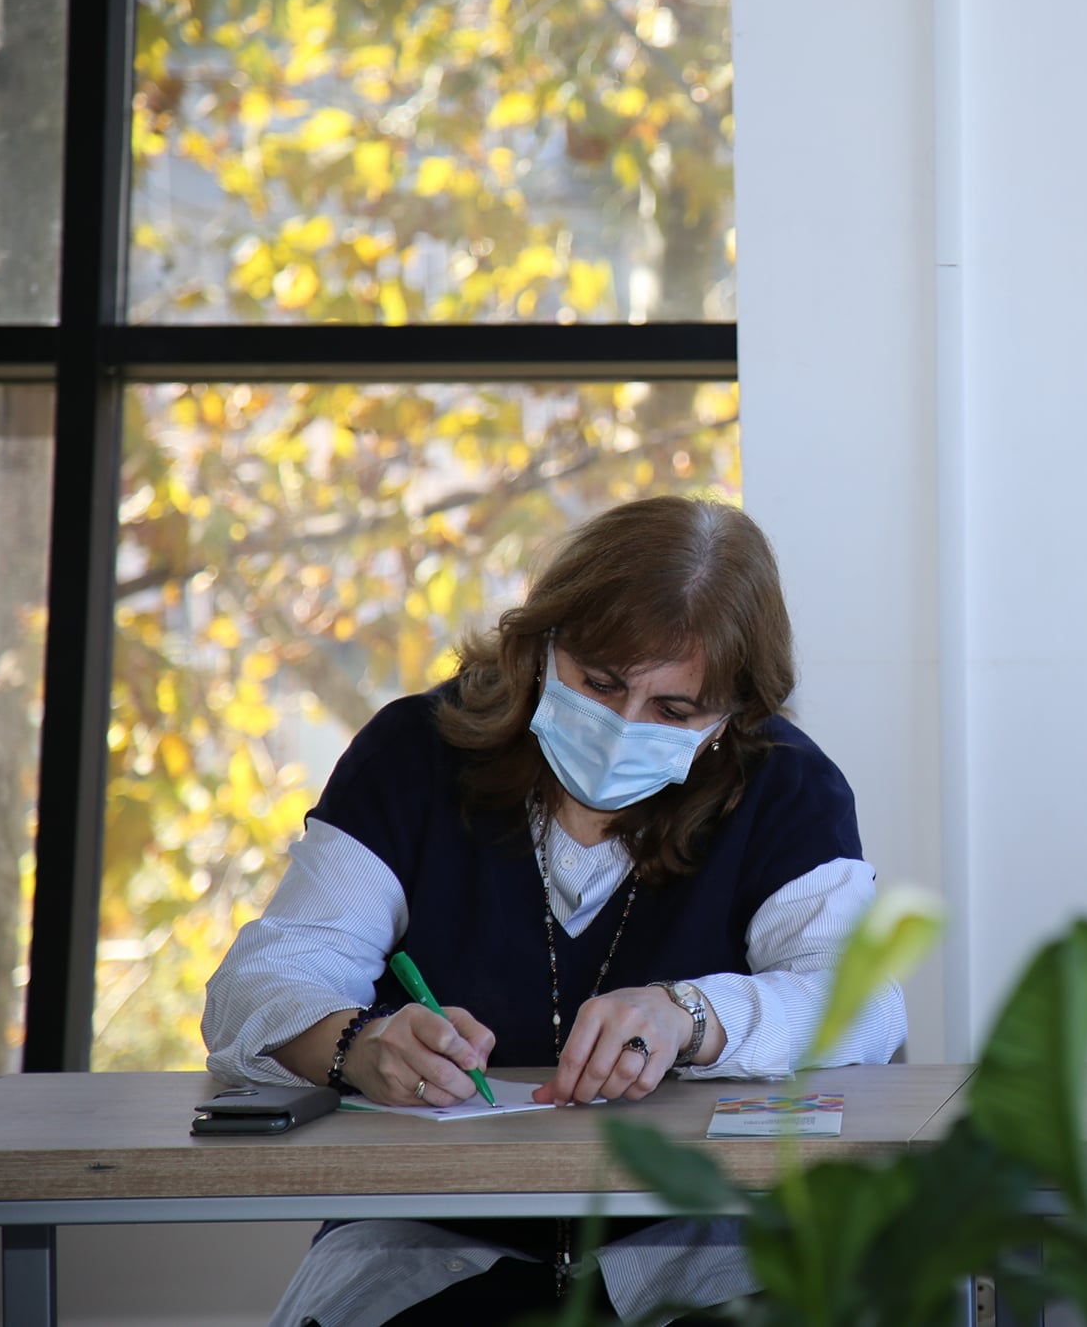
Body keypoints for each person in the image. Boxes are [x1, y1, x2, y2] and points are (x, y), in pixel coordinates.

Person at [204, 495, 907, 1326]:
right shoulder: (416, 754)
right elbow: (256, 985)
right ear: (540, 647)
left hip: (698, 1241)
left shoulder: (784, 786)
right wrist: (358, 1045)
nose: (621, 726)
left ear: (729, 720)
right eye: (599, 683)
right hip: (426, 1239)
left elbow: (863, 1004)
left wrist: (688, 1016)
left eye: (673, 711)